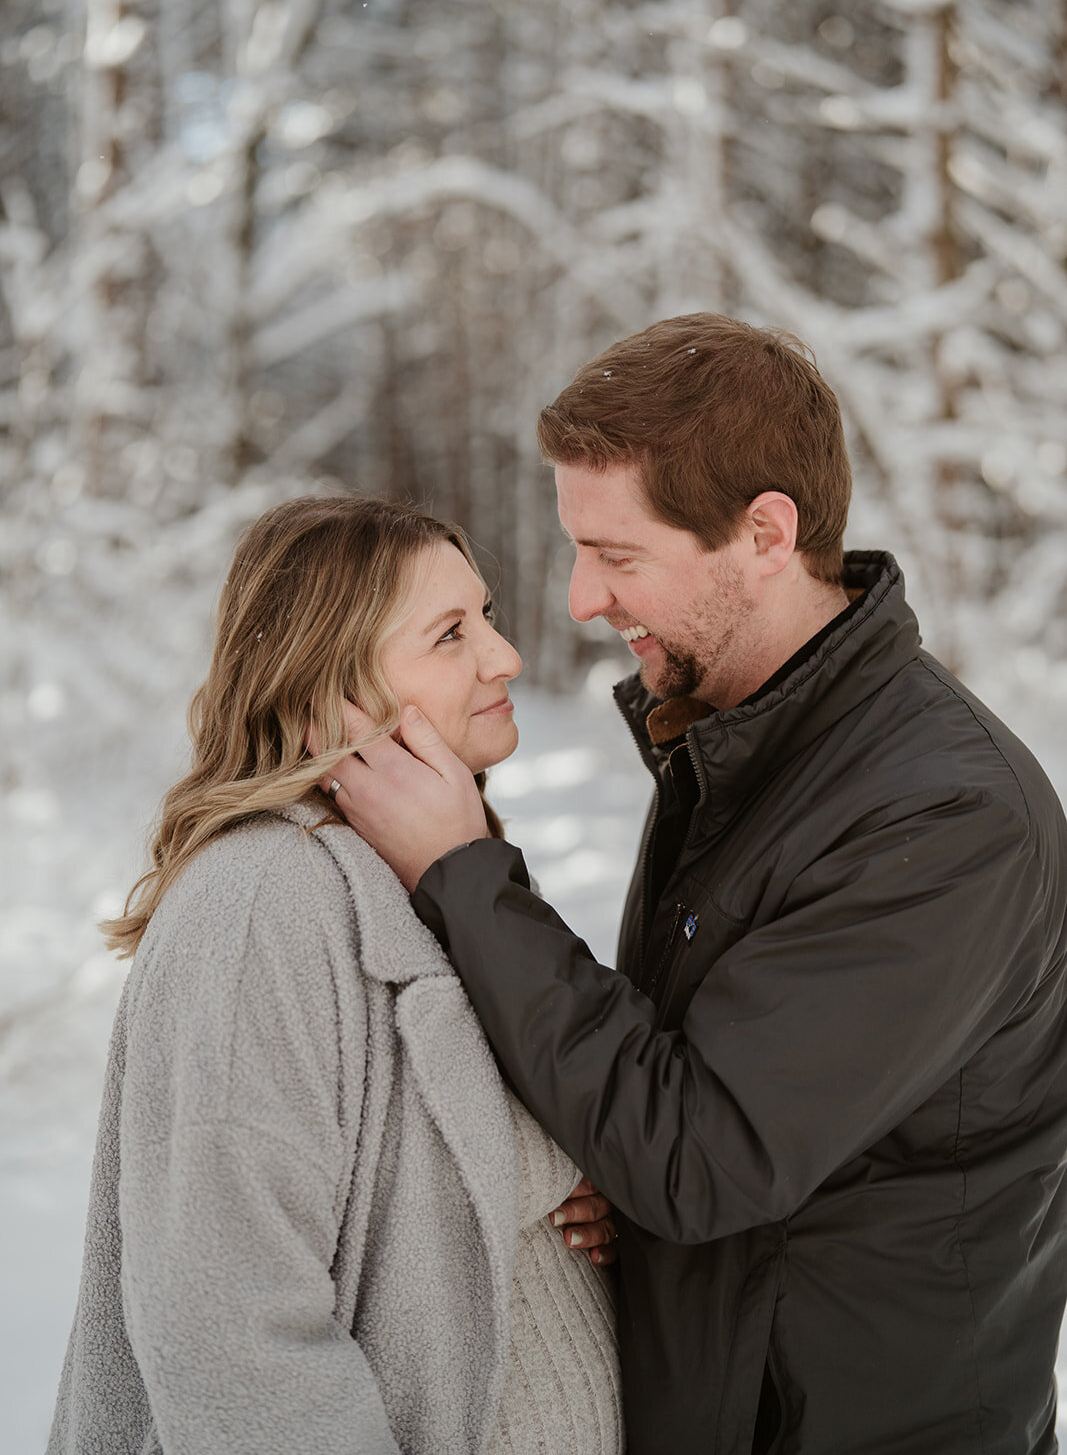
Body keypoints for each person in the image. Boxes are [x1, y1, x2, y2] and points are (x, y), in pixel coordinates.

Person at [320, 314, 1067, 1455]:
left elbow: (701, 1155)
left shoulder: (943, 815)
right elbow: (735, 1102)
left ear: (765, 533)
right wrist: (599, 1169)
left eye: (616, 556)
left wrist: (462, 872)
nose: (578, 599)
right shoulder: (747, 746)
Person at [48, 495, 621, 1455]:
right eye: (449, 634)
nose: (504, 656)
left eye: (484, 616)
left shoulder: (427, 877)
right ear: (323, 696)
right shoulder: (264, 902)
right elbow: (230, 1337)